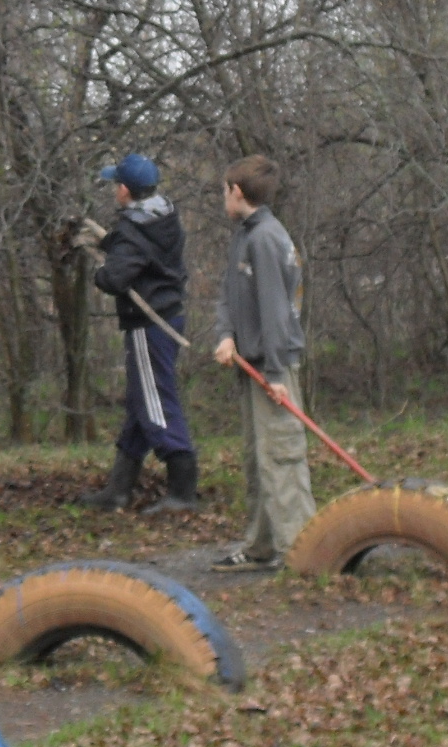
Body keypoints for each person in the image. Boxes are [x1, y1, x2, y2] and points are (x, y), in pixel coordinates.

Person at [209, 154, 313, 572]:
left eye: (223, 191)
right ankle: (262, 547)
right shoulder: (244, 235)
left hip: (273, 369)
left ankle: (305, 554)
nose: (223, 198)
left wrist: (275, 374)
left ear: (237, 192)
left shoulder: (266, 238)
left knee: (283, 459)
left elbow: (275, 312)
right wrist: (226, 334)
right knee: (259, 460)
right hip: (251, 363)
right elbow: (229, 294)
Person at [83, 154, 199, 515]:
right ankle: (118, 490)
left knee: (156, 404)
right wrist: (109, 245)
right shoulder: (163, 215)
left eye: (115, 184)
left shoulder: (135, 232)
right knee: (140, 404)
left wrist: (100, 270)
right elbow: (134, 252)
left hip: (149, 326)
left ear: (124, 190)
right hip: (168, 317)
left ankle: (182, 490)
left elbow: (114, 278)